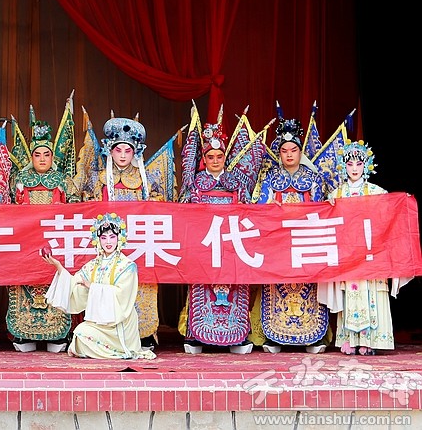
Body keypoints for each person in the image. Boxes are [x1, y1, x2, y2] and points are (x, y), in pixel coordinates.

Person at [81, 113, 164, 351]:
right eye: (119, 150)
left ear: (135, 152)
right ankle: (108, 334)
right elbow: (85, 207)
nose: (123, 155)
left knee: (142, 285)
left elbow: (160, 206)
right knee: (107, 286)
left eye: (128, 150)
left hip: (139, 242)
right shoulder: (98, 179)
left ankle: (143, 333)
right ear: (110, 150)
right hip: (107, 244)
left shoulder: (147, 178)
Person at [325, 139, 411, 355]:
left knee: (371, 294)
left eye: (359, 164)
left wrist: (402, 203)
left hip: (371, 254)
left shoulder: (377, 192)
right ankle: (349, 339)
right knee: (348, 294)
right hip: (347, 255)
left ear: (366, 166)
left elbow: (389, 218)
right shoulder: (335, 195)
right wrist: (329, 208)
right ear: (343, 166)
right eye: (350, 164)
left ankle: (370, 340)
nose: (354, 168)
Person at [176, 112, 253, 354]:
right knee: (200, 289)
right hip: (204, 246)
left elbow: (249, 212)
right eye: (211, 156)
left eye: (220, 156)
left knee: (235, 289)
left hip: (232, 245)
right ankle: (196, 335)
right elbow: (184, 214)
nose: (216, 161)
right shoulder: (196, 184)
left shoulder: (236, 183)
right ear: (204, 159)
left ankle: (237, 336)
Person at [252, 117, 330, 354]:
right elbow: (260, 207)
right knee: (276, 286)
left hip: (305, 243)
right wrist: (270, 207)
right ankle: (275, 336)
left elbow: (320, 209)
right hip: (278, 243)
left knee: (309, 287)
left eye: (293, 150)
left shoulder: (313, 179)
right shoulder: (270, 178)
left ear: (300, 152)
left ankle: (311, 336)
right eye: (284, 151)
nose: (288, 155)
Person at [41, 212, 156, 360]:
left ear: (119, 238)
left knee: (82, 342)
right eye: (104, 237)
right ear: (98, 240)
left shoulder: (127, 266)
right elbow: (74, 282)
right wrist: (59, 267)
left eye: (112, 237)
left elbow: (122, 296)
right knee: (80, 335)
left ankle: (119, 350)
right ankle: (105, 351)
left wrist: (92, 286)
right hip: (99, 322)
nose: (108, 242)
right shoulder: (93, 265)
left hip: (120, 323)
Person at [7, 116, 75, 353]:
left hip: (55, 242)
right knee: (24, 284)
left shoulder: (62, 180)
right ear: (31, 157)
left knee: (55, 282)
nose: (43, 159)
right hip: (26, 242)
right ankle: (24, 333)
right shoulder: (20, 180)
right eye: (38, 155)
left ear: (53, 157)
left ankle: (56, 335)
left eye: (47, 154)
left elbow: (76, 208)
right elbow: (10, 209)